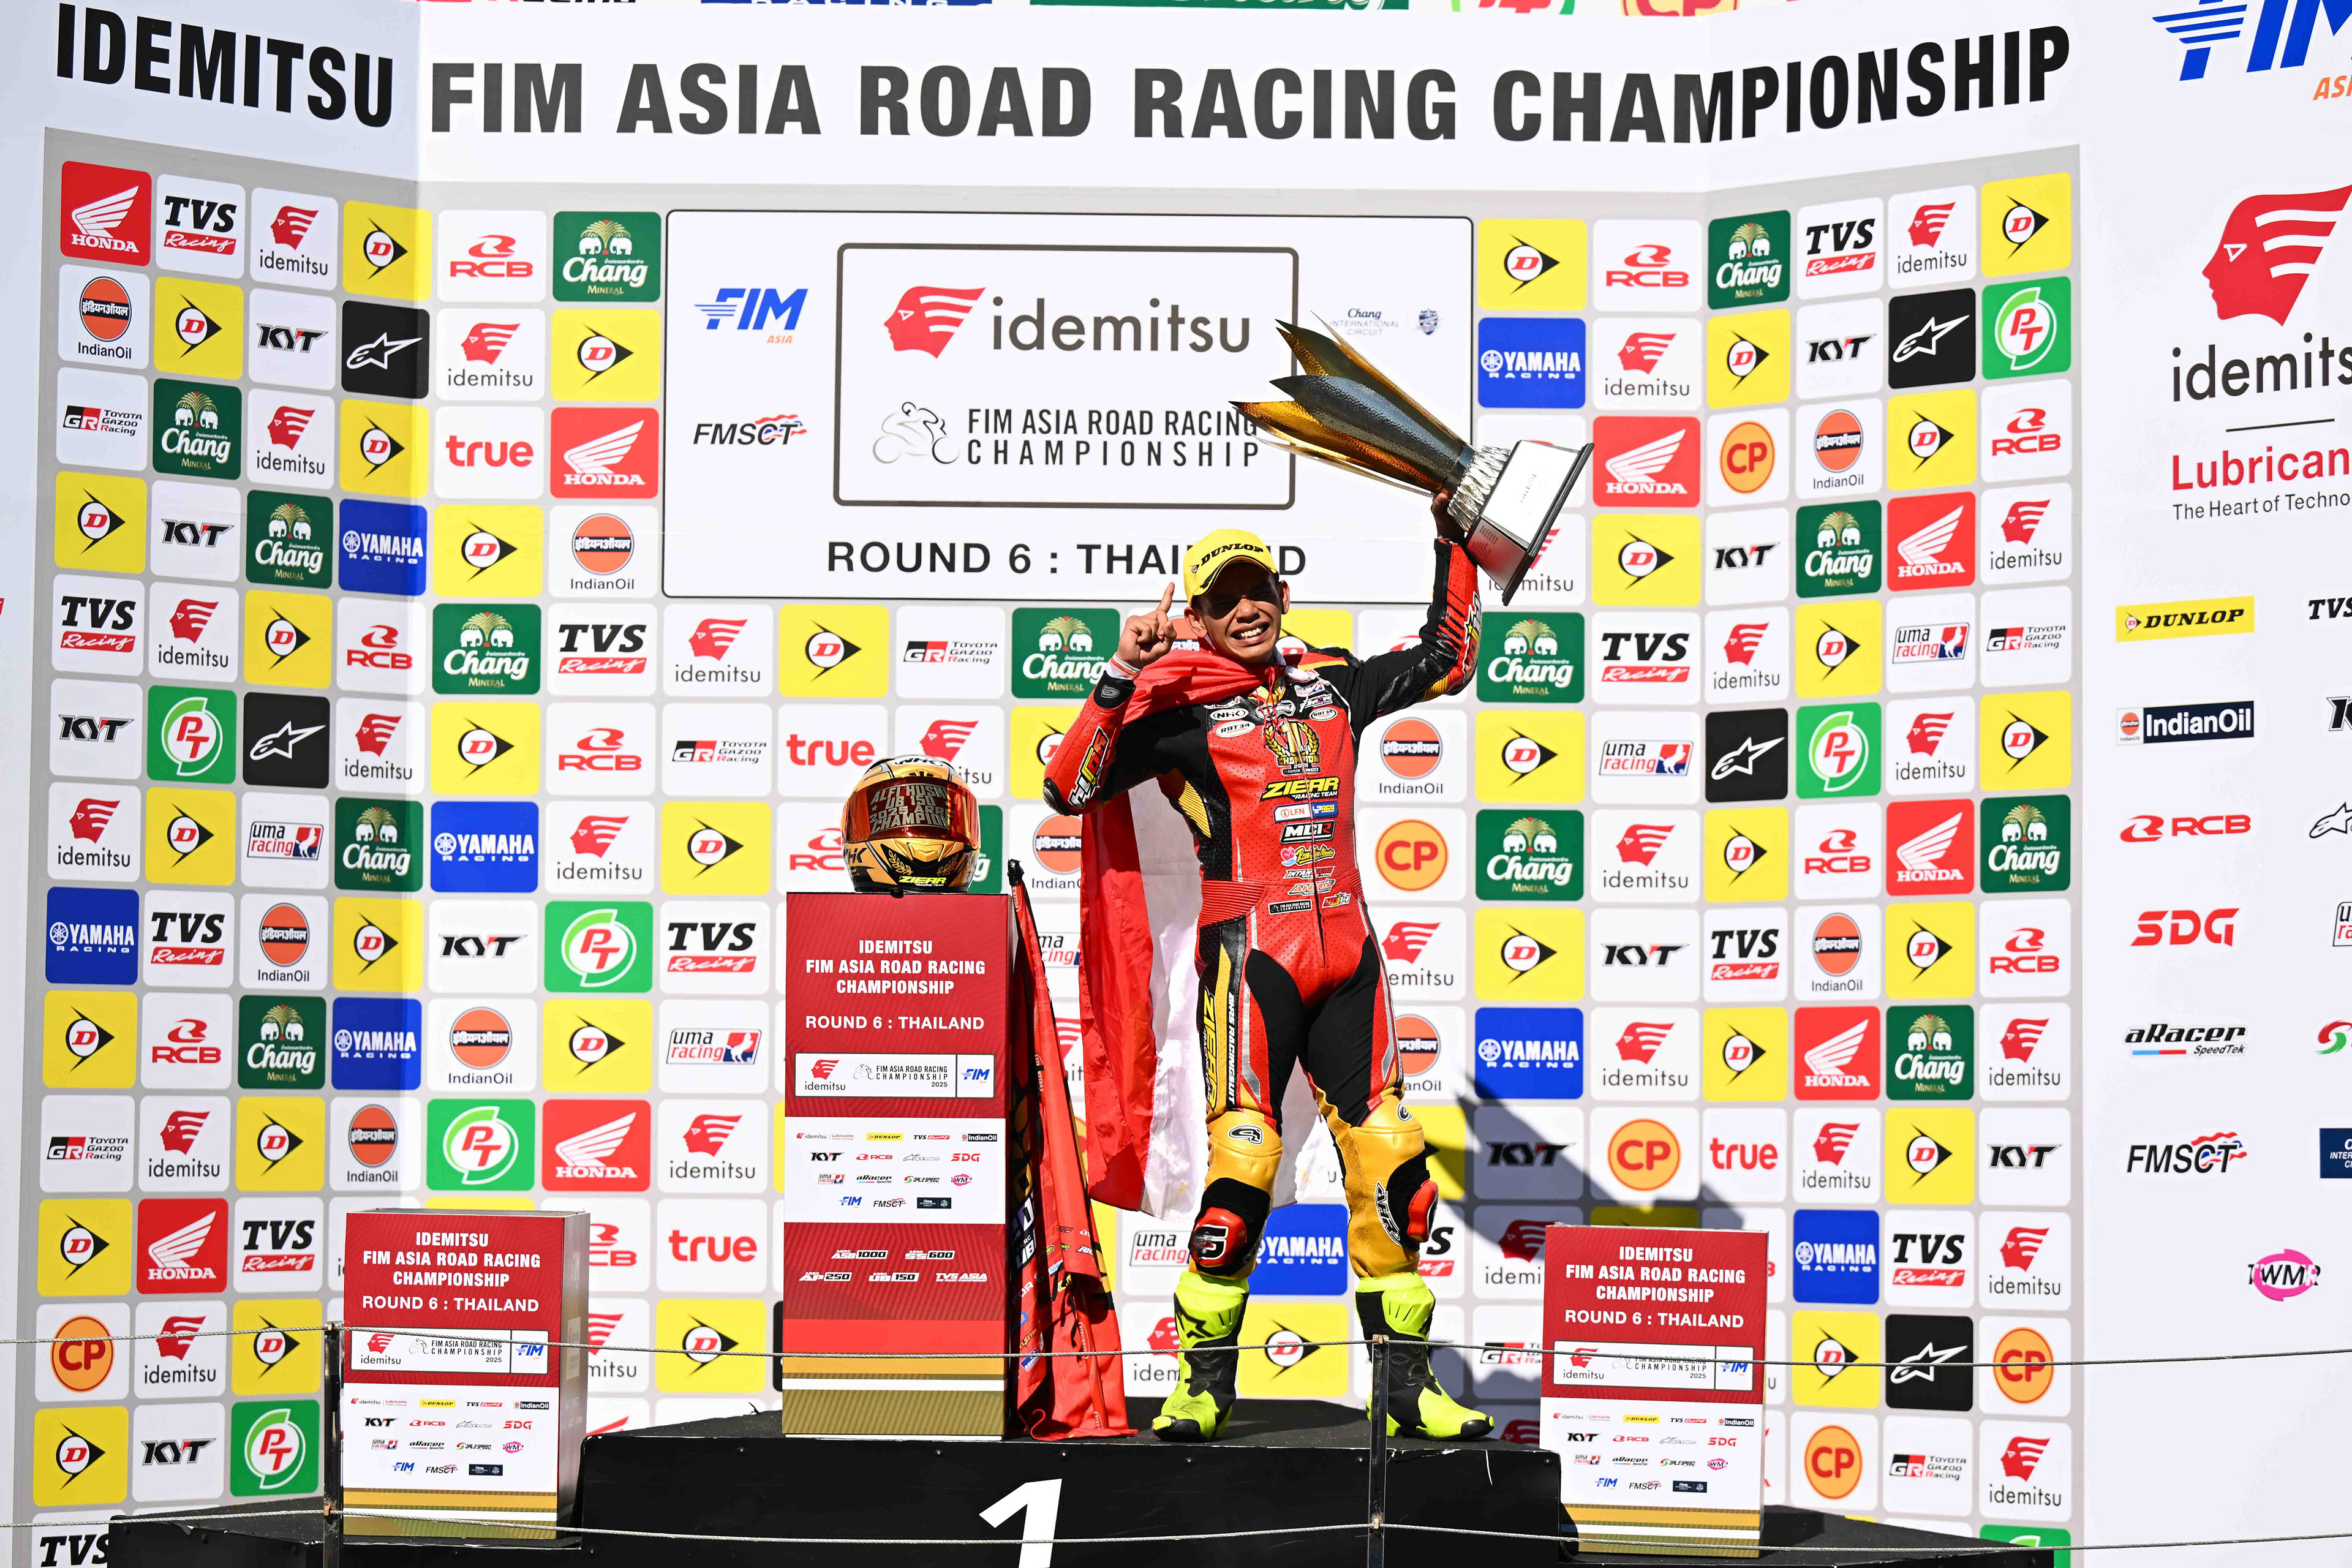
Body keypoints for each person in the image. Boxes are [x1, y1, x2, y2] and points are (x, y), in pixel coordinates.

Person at [1043, 500, 1489, 1442]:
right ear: (1197, 616)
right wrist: (1121, 672)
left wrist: (1454, 537)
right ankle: (1204, 1386)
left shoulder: (1333, 681)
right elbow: (1069, 787)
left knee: (1393, 1159)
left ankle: (1405, 1388)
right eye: (1222, 599)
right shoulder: (1177, 710)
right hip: (1252, 963)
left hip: (1349, 959)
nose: (1245, 609)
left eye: (1257, 590)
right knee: (1244, 1164)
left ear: (1282, 595)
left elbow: (1448, 659)